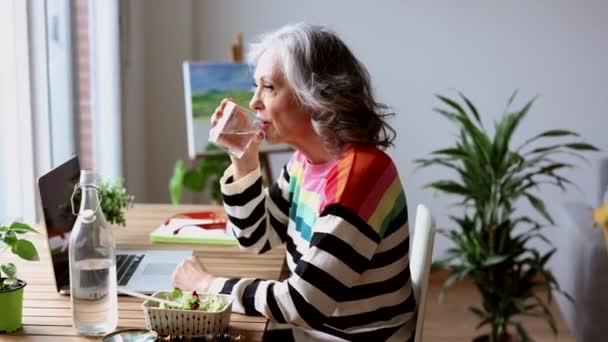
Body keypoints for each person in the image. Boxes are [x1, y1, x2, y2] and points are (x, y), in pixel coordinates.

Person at [172, 23, 416, 342]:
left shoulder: (359, 179)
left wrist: (207, 286)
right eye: (256, 86)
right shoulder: (307, 162)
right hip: (316, 332)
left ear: (315, 97)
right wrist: (243, 156)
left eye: (269, 87)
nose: (254, 101)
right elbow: (257, 237)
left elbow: (302, 304)